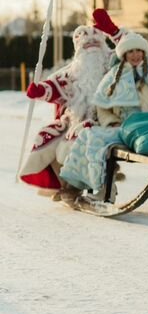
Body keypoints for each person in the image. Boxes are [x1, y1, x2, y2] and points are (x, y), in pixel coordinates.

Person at [59, 24, 148, 201]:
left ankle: (102, 192)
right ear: (124, 54)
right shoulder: (113, 77)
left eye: (139, 51)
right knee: (89, 136)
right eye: (131, 51)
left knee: (97, 142)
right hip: (123, 128)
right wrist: (111, 122)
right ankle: (76, 186)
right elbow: (103, 106)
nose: (135, 55)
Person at [19, 25, 114, 197]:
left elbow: (130, 52)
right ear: (79, 50)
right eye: (87, 45)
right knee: (47, 136)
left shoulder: (113, 67)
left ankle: (84, 184)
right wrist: (40, 90)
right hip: (73, 121)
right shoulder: (73, 72)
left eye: (95, 43)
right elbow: (54, 86)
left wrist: (113, 29)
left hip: (104, 122)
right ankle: (61, 184)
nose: (91, 48)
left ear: (103, 45)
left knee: (71, 144)